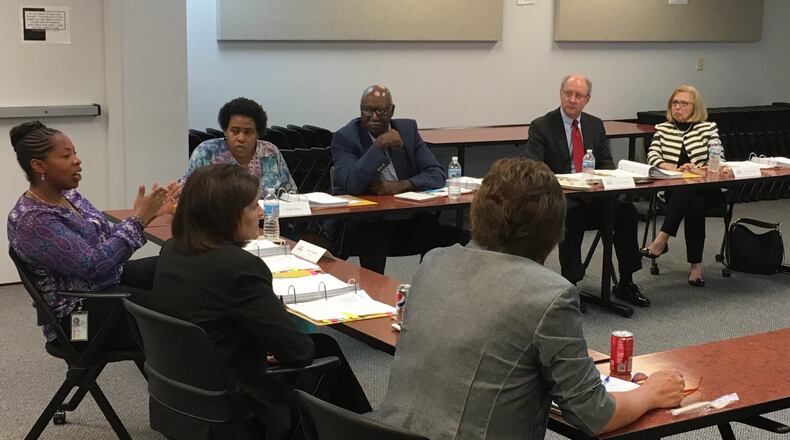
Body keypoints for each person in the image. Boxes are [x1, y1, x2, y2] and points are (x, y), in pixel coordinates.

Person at [378, 157, 686, 440]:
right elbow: (594, 415)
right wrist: (650, 393)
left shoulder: (434, 261)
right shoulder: (550, 295)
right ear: (554, 229)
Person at [149, 164, 370, 440]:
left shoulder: (172, 250)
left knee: (324, 345)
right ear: (229, 216)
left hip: (181, 396)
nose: (262, 214)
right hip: (235, 408)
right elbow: (298, 352)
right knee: (326, 354)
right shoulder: (240, 268)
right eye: (254, 207)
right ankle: (366, 429)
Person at [7, 121, 174, 347]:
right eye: (66, 156)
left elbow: (106, 238)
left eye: (75, 153)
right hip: (76, 321)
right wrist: (138, 220)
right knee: (169, 311)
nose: (77, 160)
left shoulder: (69, 196)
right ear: (39, 165)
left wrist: (149, 215)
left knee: (174, 267)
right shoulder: (34, 219)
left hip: (102, 286)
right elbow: (92, 264)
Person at [524, 74, 648, 307]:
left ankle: (626, 282)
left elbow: (607, 164)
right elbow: (534, 166)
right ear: (560, 94)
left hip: (593, 196)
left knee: (626, 212)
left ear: (587, 99)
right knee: (571, 216)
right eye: (568, 94)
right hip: (561, 199)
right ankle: (571, 284)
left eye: (578, 95)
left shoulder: (594, 124)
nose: (572, 100)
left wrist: (602, 180)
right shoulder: (542, 125)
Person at [330, 85, 469, 273]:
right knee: (372, 233)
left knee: (460, 238)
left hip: (408, 219)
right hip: (365, 223)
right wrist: (379, 146)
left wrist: (401, 185)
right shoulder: (345, 137)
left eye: (380, 110)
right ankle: (376, 295)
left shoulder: (407, 130)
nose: (373, 116)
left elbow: (436, 174)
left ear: (392, 110)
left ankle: (427, 285)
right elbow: (352, 184)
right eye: (367, 110)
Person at [642, 85, 725, 287]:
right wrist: (673, 168)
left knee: (692, 187)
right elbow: (652, 157)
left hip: (707, 188)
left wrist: (697, 169)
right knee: (693, 201)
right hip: (675, 190)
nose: (678, 107)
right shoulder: (663, 129)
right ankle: (696, 267)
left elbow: (719, 159)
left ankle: (662, 238)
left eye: (684, 103)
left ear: (695, 107)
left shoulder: (708, 128)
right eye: (675, 103)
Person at [183, 97, 296, 197]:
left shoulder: (270, 152)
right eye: (235, 131)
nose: (241, 138)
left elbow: (290, 194)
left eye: (248, 132)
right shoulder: (206, 152)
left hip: (267, 219)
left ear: (257, 133)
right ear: (225, 131)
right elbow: (186, 195)